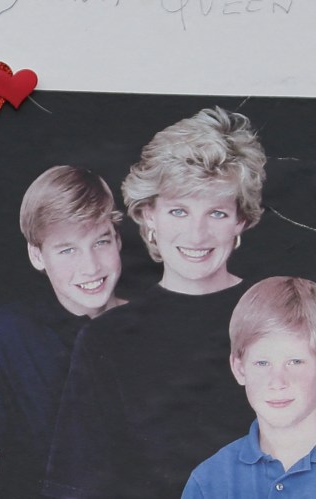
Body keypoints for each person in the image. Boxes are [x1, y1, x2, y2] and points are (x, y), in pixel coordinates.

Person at [43, 107, 267, 499]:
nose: (197, 234)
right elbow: (75, 487)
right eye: (178, 210)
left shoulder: (277, 312)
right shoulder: (105, 339)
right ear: (148, 215)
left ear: (240, 221)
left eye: (216, 212)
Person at [0, 166, 126, 499]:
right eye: (67, 250)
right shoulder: (12, 332)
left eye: (101, 242)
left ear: (118, 239)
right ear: (37, 255)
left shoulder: (154, 327)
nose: (91, 267)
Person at [182, 276, 316, 499]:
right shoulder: (209, 481)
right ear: (239, 369)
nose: (277, 382)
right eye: (262, 363)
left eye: (294, 362)